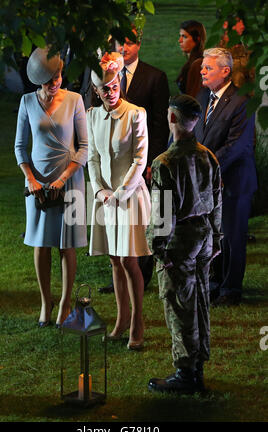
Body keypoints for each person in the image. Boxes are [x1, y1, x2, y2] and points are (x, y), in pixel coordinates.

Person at [147, 94, 222, 393]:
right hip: (204, 235)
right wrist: (217, 237)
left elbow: (162, 213)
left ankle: (186, 373)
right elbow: (217, 201)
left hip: (179, 240)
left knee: (179, 305)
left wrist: (157, 248)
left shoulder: (165, 162)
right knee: (200, 302)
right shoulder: (208, 155)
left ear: (172, 118)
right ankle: (197, 365)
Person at [14, 47, 88, 327]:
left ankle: (66, 302)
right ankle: (46, 302)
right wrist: (31, 179)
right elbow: (20, 147)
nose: (55, 82)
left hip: (69, 180)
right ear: (38, 81)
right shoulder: (26, 102)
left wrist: (63, 179)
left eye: (57, 76)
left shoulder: (75, 100)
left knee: (66, 245)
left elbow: (84, 148)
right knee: (41, 242)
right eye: (48, 79)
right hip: (37, 183)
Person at [98, 25, 170, 293]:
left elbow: (160, 124)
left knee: (144, 219)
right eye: (119, 43)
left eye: (129, 43)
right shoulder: (104, 77)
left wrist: (153, 161)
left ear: (138, 45)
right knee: (117, 221)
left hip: (143, 160)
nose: (123, 48)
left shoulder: (155, 77)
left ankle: (144, 271)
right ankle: (119, 272)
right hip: (115, 162)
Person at [87, 52, 151, 350]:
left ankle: (138, 321)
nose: (110, 93)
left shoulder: (136, 113)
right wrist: (99, 191)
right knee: (113, 258)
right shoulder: (91, 116)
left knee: (129, 259)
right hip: (105, 197)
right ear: (96, 91)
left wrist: (119, 194)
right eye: (105, 89)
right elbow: (92, 158)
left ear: (119, 85)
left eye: (114, 87)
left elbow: (140, 159)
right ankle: (121, 318)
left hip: (129, 196)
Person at [195, 47, 257, 306]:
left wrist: (205, 165)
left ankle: (231, 288)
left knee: (232, 236)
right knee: (213, 235)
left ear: (225, 71)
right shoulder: (202, 97)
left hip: (234, 181)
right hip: (210, 181)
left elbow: (238, 145)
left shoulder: (242, 101)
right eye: (202, 68)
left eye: (207, 68)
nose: (202, 72)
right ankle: (215, 283)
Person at [176, 20, 206, 98]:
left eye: (184, 37)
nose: (180, 40)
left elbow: (193, 97)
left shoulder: (198, 64)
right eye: (180, 36)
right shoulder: (192, 62)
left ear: (197, 39)